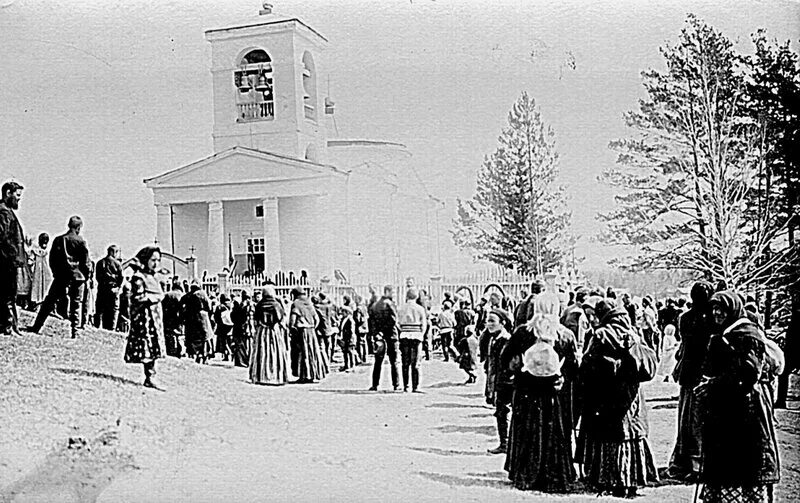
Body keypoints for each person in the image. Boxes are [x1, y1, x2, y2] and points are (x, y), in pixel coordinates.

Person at [697, 291, 780, 503]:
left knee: (741, 468)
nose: (716, 313)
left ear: (732, 309)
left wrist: (713, 385)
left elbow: (749, 373)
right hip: (727, 409)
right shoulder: (725, 333)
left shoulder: (745, 335)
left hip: (745, 412)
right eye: (714, 309)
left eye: (721, 309)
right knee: (726, 467)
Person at [577, 299, 658, 498]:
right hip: (632, 395)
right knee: (630, 433)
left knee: (610, 435)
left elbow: (588, 366)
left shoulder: (601, 334)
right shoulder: (633, 333)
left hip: (607, 394)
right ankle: (631, 480)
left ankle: (610, 479)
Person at [500, 305, 579, 492]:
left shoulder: (523, 332)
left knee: (527, 431)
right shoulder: (565, 335)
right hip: (554, 394)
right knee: (555, 433)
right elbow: (574, 367)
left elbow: (505, 358)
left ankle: (525, 472)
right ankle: (556, 474)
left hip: (526, 393)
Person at [667, 281, 714, 481]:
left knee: (689, 421)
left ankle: (689, 461)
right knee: (696, 422)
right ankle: (696, 464)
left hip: (691, 374)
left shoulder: (685, 318)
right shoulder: (708, 319)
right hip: (701, 374)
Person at [27, 216, 91, 339]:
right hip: (78, 277)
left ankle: (37, 326)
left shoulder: (59, 240)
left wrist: (56, 273)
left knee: (49, 302)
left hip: (61, 276)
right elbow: (86, 262)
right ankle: (75, 332)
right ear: (78, 228)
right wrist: (86, 276)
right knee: (76, 304)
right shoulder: (81, 242)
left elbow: (52, 260)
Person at [123, 246, 165, 389]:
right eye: (153, 260)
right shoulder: (139, 277)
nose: (156, 264)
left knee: (154, 346)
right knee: (147, 346)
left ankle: (152, 375)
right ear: (145, 260)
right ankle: (149, 376)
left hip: (155, 319)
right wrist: (156, 298)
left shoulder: (153, 277)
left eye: (158, 260)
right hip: (145, 318)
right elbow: (138, 297)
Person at [483, 309, 513, 454]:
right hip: (497, 380)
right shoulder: (493, 338)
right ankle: (504, 442)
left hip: (505, 382)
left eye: (492, 321)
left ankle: (506, 443)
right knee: (500, 412)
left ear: (503, 323)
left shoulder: (506, 339)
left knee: (503, 412)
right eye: (488, 321)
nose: (489, 324)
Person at [0, 181, 25, 336]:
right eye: (17, 196)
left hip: (9, 261)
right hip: (6, 262)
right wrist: (12, 256)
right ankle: (7, 326)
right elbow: (2, 238)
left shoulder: (7, 211)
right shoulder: (3, 212)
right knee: (6, 294)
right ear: (8, 193)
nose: (18, 200)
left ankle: (10, 325)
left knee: (9, 294)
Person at [250, 285, 289, 385]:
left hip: (262, 330)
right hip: (274, 330)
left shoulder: (259, 305)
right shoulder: (277, 305)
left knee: (262, 352)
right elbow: (281, 318)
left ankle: (261, 376)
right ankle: (276, 376)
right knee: (275, 351)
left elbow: (256, 320)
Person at [289, 287, 328, 383]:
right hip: (311, 331)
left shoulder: (296, 303)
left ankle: (304, 375)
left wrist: (292, 328)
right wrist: (312, 327)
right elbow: (317, 319)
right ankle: (312, 374)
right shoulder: (309, 303)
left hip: (301, 331)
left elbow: (293, 319)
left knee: (302, 353)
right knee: (312, 352)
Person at [369, 285, 401, 391]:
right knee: (394, 361)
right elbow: (393, 320)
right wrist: (385, 330)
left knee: (378, 361)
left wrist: (377, 333)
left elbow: (372, 322)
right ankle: (396, 384)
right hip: (391, 335)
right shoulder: (390, 304)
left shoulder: (375, 305)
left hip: (379, 336)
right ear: (387, 292)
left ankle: (375, 384)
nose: (394, 295)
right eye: (393, 292)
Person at [397, 288, 428, 392]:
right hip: (416, 336)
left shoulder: (401, 308)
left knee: (405, 362)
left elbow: (397, 323)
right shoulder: (420, 309)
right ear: (416, 297)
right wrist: (421, 334)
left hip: (404, 335)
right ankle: (415, 386)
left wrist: (403, 330)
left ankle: (406, 386)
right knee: (416, 362)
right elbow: (424, 325)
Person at [182, 283, 214, 364]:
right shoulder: (202, 294)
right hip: (202, 317)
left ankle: (196, 354)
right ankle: (204, 354)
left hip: (191, 319)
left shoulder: (188, 295)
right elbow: (209, 307)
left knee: (193, 337)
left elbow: (180, 304)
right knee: (204, 336)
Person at [95, 245, 123, 330]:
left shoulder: (100, 262)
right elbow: (121, 277)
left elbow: (97, 277)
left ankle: (97, 326)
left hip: (102, 288)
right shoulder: (117, 264)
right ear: (113, 252)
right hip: (113, 289)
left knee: (100, 308)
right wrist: (117, 287)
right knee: (113, 309)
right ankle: (111, 328)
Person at [230, 290, 254, 368]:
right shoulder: (244, 306)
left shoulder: (241, 306)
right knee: (242, 345)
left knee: (241, 345)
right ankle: (242, 361)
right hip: (242, 328)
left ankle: (242, 361)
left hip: (240, 328)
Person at [28, 233, 51, 310]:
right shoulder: (47, 252)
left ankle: (38, 304)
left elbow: (30, 262)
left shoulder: (35, 251)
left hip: (40, 273)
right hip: (43, 273)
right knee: (43, 288)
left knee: (39, 288)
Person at [161, 283, 185, 357]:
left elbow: (163, 306)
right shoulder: (182, 295)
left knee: (169, 334)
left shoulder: (167, 295)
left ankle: (171, 350)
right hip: (179, 317)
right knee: (179, 334)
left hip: (168, 317)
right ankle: (179, 350)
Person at [214, 294, 234, 360]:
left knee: (223, 341)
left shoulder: (219, 307)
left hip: (222, 326)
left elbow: (216, 317)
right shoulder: (231, 305)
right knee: (229, 340)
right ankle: (230, 353)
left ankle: (226, 354)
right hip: (230, 325)